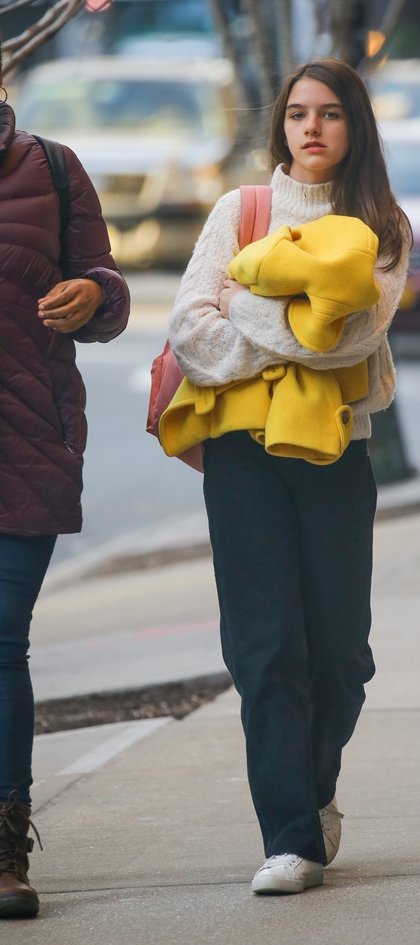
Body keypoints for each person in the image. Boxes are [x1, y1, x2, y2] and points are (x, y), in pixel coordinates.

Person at [169, 58, 410, 893]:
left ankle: (311, 792)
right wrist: (273, 318)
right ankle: (289, 837)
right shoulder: (242, 211)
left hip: (339, 449)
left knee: (341, 654)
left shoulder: (381, 223)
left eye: (332, 114)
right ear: (282, 126)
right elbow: (190, 331)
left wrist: (243, 306)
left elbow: (343, 343)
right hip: (241, 453)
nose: (312, 128)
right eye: (300, 113)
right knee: (266, 646)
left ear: (356, 128)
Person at [0, 46, 130, 918]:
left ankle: (6, 847)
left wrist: (92, 294)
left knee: (2, 636)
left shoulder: (52, 167)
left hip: (28, 441)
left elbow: (111, 293)